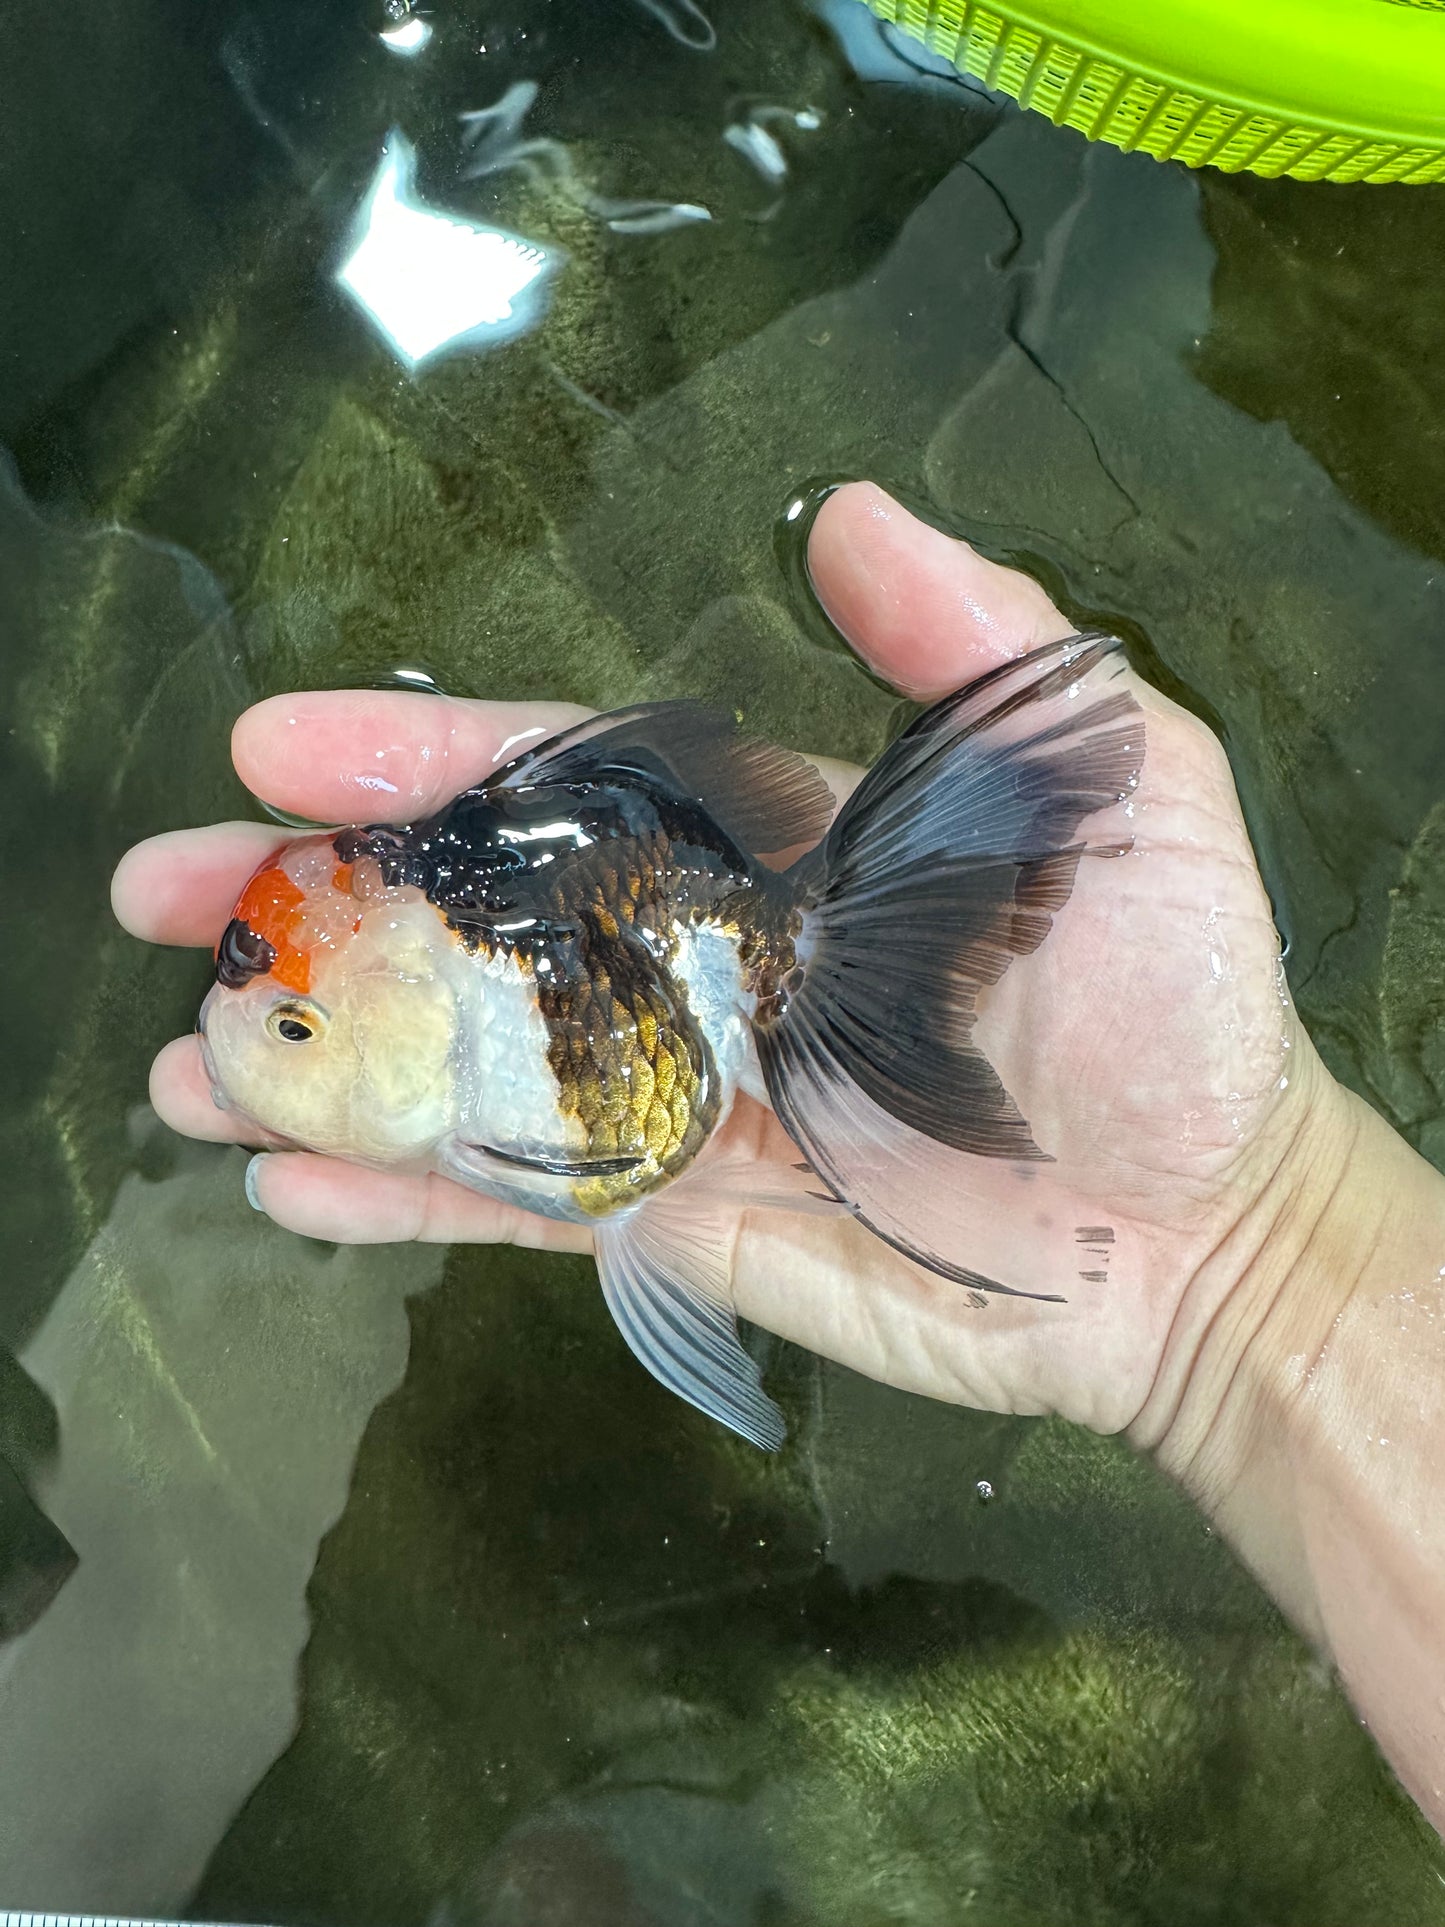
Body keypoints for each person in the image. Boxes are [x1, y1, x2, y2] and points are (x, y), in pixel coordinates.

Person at [112, 481, 1445, 1831]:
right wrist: (1249, 1266)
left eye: (293, 1026)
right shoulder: (446, 1025)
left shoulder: (535, 1031)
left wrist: (1242, 1250)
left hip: (697, 966)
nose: (259, 1048)